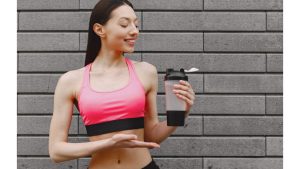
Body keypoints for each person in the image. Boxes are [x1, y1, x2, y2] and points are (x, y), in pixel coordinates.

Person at [48, 0, 195, 169]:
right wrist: (108, 143)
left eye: (136, 24)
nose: (134, 31)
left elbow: (151, 137)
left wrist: (181, 113)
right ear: (99, 29)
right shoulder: (71, 81)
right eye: (124, 24)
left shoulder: (146, 72)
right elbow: (56, 151)